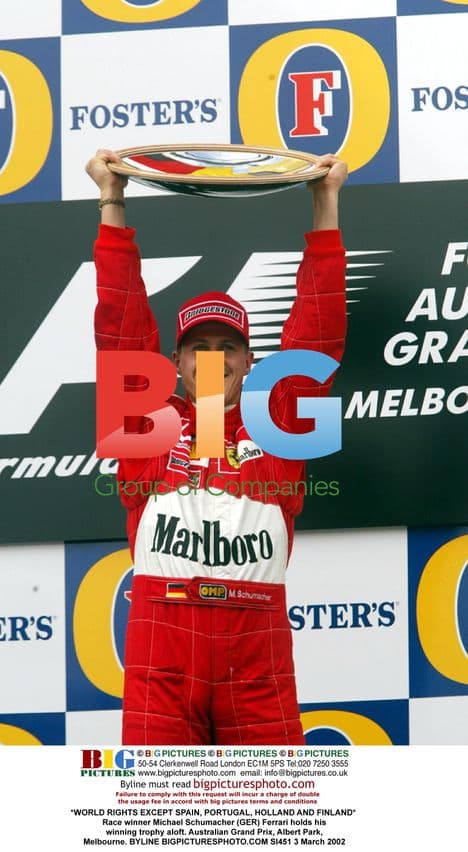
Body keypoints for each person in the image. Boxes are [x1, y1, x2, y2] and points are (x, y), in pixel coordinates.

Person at [86, 149, 348, 745]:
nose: (212, 359)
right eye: (197, 347)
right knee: (165, 798)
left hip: (255, 648)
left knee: (271, 799)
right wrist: (112, 199)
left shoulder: (277, 424)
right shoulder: (148, 425)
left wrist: (325, 201)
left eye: (226, 347)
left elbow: (318, 332)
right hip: (163, 644)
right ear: (175, 362)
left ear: (249, 361)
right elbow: (120, 325)